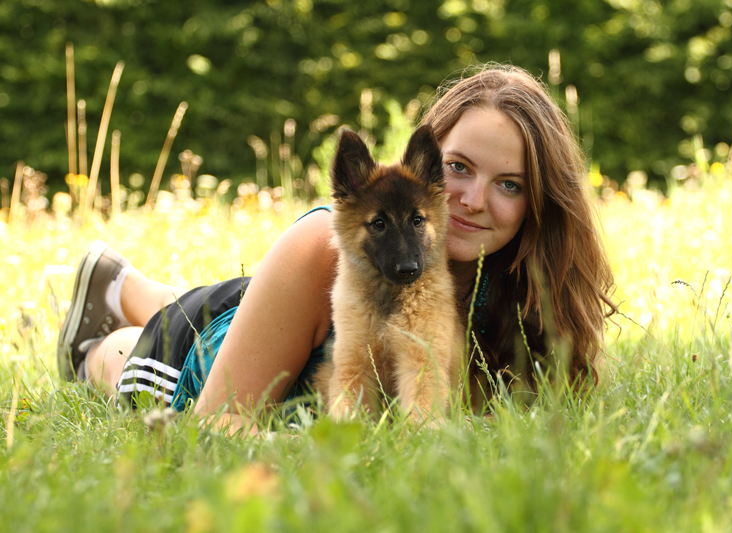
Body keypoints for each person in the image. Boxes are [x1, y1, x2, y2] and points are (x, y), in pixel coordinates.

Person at [57, 64, 616, 432]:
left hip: (276, 314)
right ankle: (99, 335)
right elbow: (219, 421)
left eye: (509, 184)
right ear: (424, 163)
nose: (471, 199)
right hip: (200, 349)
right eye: (458, 169)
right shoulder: (323, 244)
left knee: (217, 304)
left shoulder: (517, 286)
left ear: (539, 204)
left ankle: (123, 283)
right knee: (128, 357)